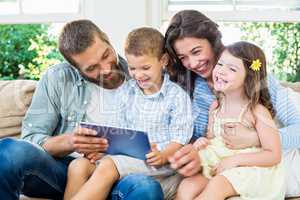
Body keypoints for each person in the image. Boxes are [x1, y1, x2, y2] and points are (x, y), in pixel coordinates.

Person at [0, 20, 164, 200]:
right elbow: (31, 139)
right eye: (92, 68)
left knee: (146, 189)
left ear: (107, 39)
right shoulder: (57, 78)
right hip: (64, 173)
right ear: (75, 68)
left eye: (105, 55)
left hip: (119, 174)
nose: (106, 69)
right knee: (10, 151)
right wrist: (71, 142)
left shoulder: (142, 76)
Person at [164, 10, 300, 197]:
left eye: (196, 51)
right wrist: (193, 150)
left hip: (250, 164)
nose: (193, 63)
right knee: (187, 188)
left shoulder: (257, 81)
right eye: (183, 57)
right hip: (214, 161)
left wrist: (254, 138)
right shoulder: (191, 85)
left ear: (213, 41)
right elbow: (199, 137)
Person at [63, 27, 193, 200]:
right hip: (125, 158)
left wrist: (162, 155)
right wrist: (102, 150)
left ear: (163, 60)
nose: (138, 75)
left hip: (160, 163)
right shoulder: (127, 91)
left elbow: (180, 139)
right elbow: (116, 130)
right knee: (78, 166)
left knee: (108, 166)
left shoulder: (176, 96)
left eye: (145, 67)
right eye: (132, 68)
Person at [177, 41, 285, 200]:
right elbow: (212, 139)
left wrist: (234, 160)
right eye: (220, 64)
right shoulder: (215, 107)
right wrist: (202, 141)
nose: (221, 71)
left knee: (218, 185)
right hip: (218, 164)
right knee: (187, 186)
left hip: (249, 168)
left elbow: (274, 154)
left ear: (249, 77)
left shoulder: (256, 111)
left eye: (232, 69)